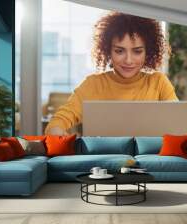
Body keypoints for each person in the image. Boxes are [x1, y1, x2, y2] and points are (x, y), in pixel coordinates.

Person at [45, 12, 178, 136]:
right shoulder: (93, 84)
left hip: (148, 158)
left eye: (137, 51)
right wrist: (60, 137)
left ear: (147, 52)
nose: (128, 60)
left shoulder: (158, 82)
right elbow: (57, 123)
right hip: (102, 159)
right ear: (108, 50)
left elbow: (177, 125)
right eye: (119, 51)